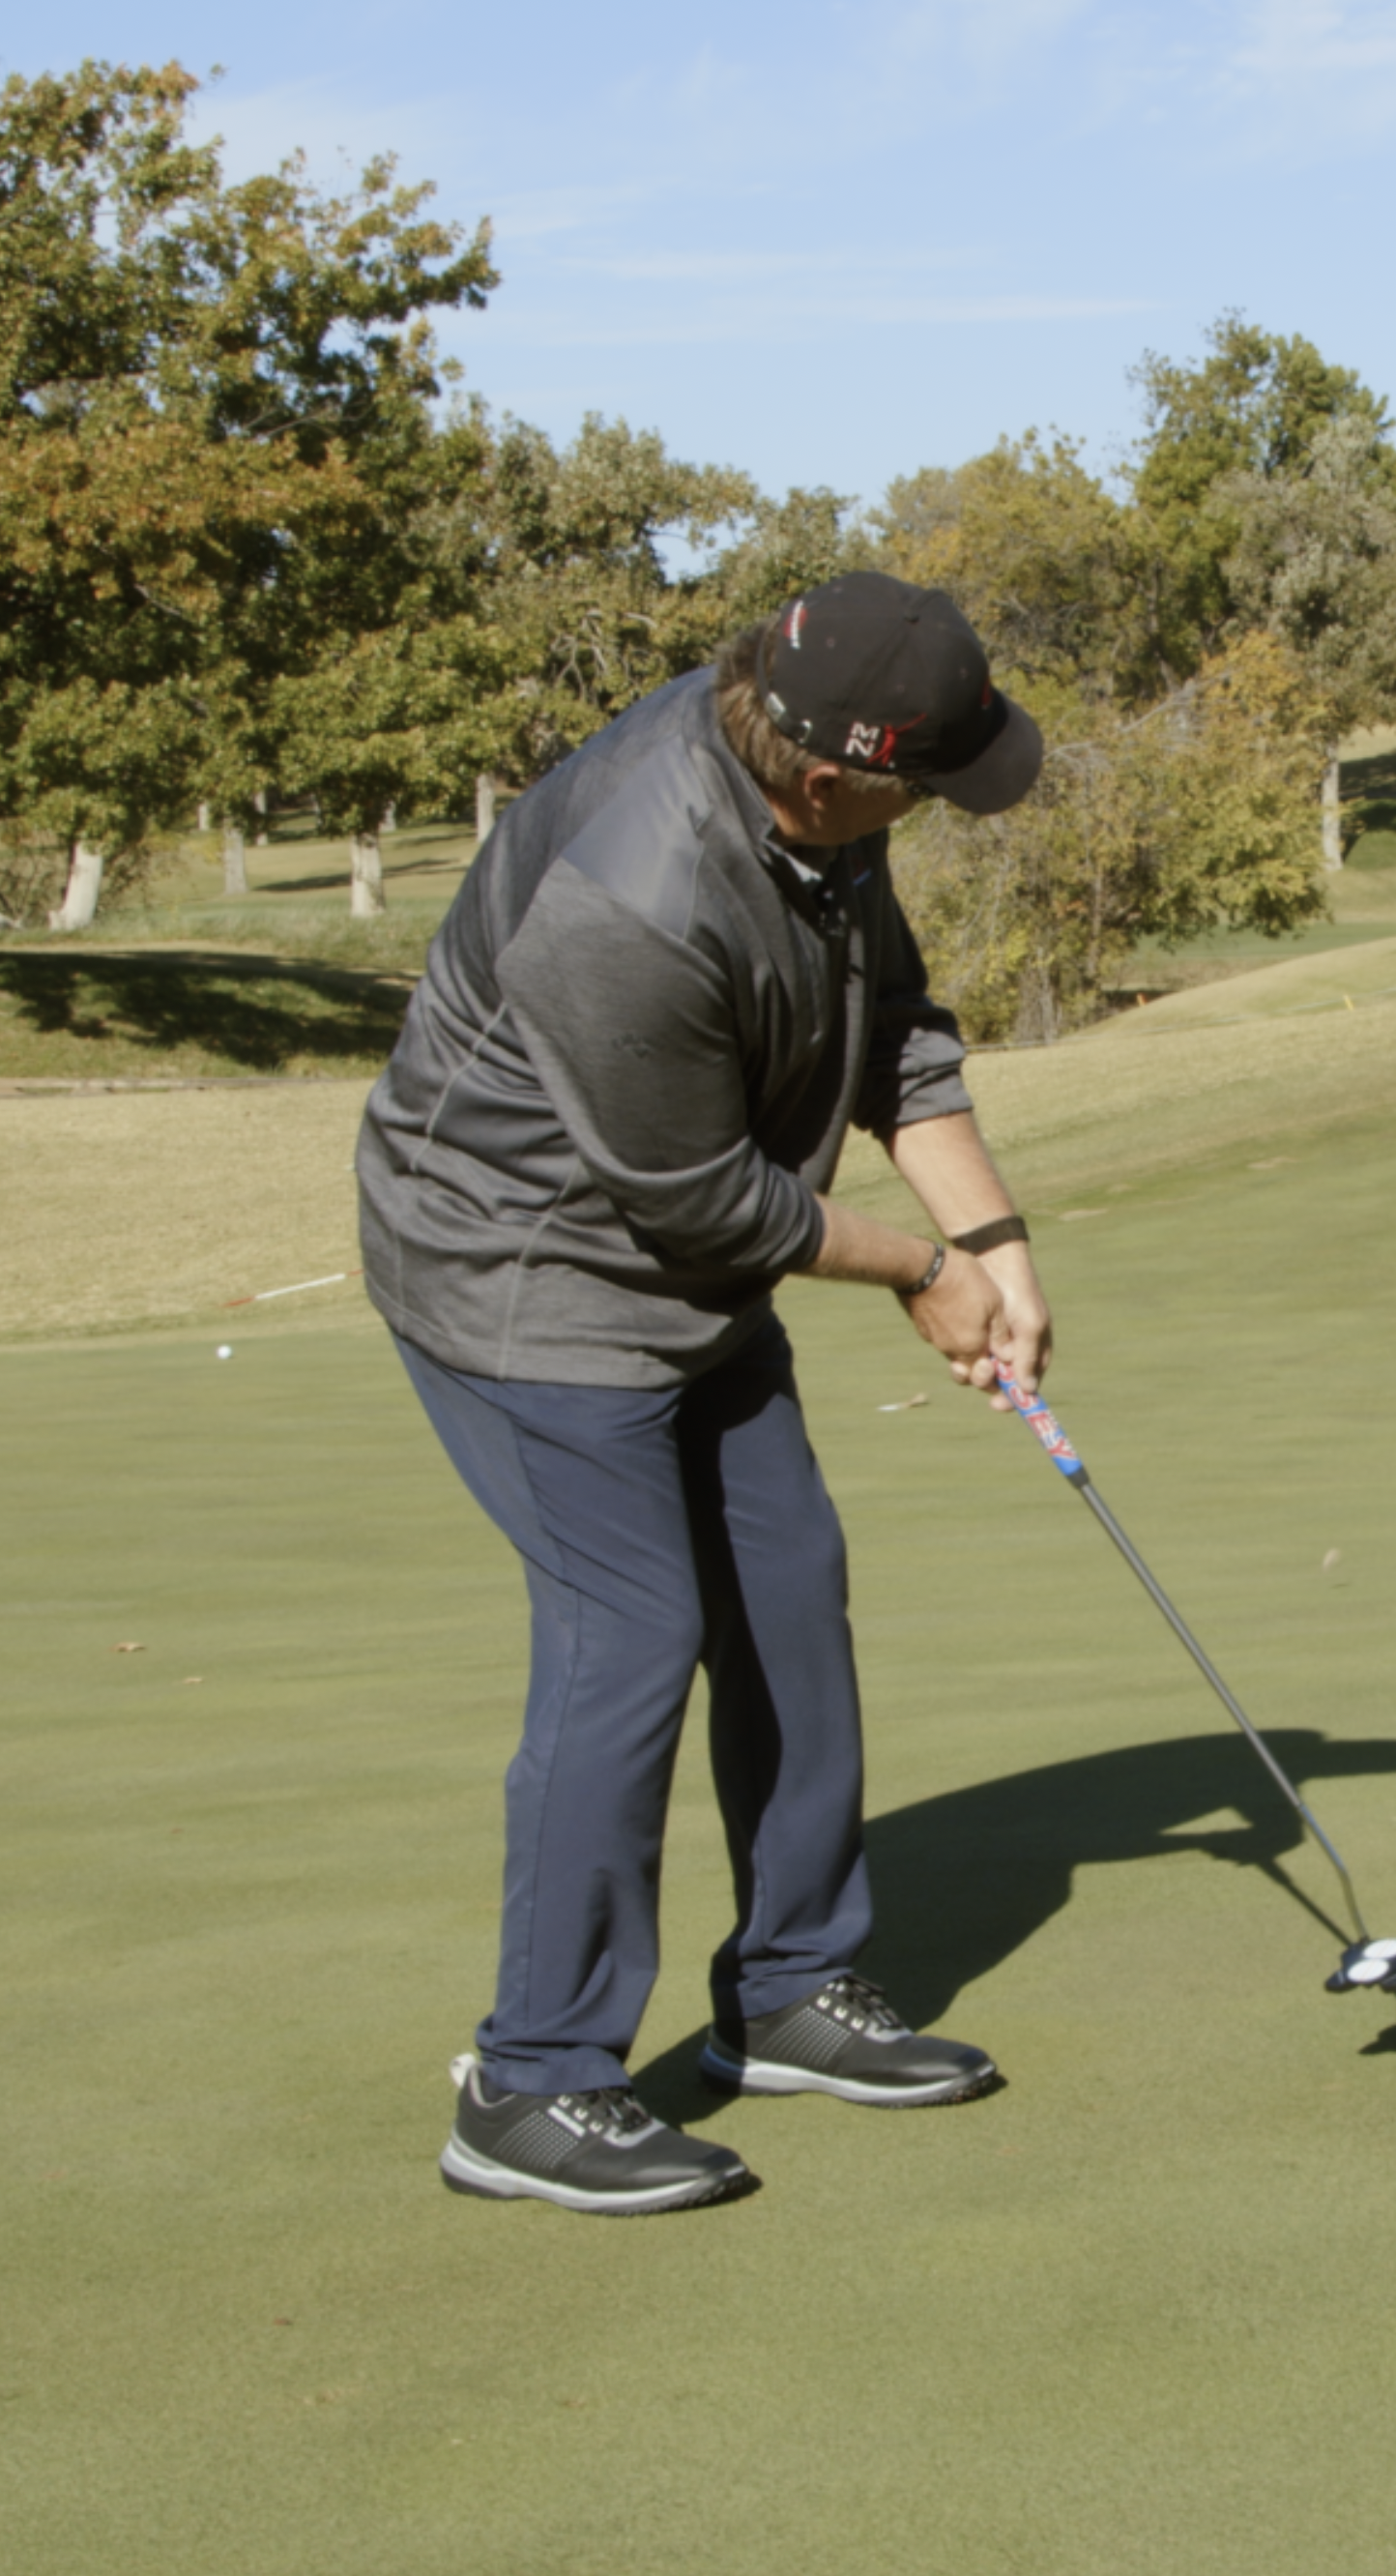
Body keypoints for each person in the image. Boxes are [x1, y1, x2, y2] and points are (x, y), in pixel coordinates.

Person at [355, 572, 1052, 2216]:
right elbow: (699, 1198)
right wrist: (921, 1274)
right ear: (831, 773)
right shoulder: (634, 883)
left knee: (789, 1587)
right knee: (633, 1631)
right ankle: (532, 2082)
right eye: (923, 788)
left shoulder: (818, 792)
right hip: (519, 1273)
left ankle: (793, 1988)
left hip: (679, 1266)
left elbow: (898, 1036)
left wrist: (996, 1239)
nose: (933, 814)